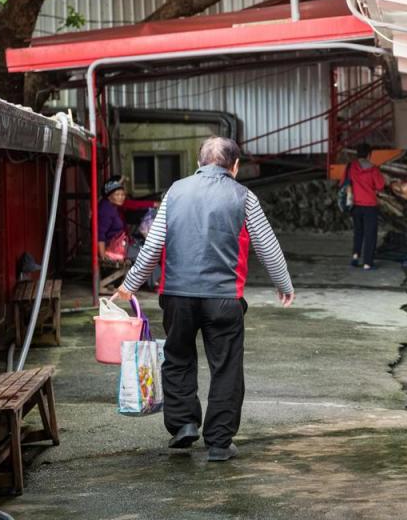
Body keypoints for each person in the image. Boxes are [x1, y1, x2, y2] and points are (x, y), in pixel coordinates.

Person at [116, 137, 294, 462]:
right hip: (224, 299)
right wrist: (283, 284)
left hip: (177, 296)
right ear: (235, 166)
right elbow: (267, 244)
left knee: (178, 357)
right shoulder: (245, 196)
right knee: (225, 367)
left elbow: (153, 245)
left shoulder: (175, 192)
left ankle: (183, 424)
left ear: (198, 164)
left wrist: (130, 285)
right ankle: (219, 443)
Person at [346, 143, 385, 270]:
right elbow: (380, 186)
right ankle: (367, 263)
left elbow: (345, 182)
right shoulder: (374, 169)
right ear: (369, 154)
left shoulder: (351, 167)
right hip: (370, 206)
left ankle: (355, 257)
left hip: (355, 205)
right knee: (370, 234)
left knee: (358, 232)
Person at [97, 178, 130, 261]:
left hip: (120, 244)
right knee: (148, 257)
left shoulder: (112, 207)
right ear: (109, 196)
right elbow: (100, 234)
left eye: (122, 195)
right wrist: (102, 255)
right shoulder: (106, 210)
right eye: (117, 195)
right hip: (113, 248)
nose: (121, 197)